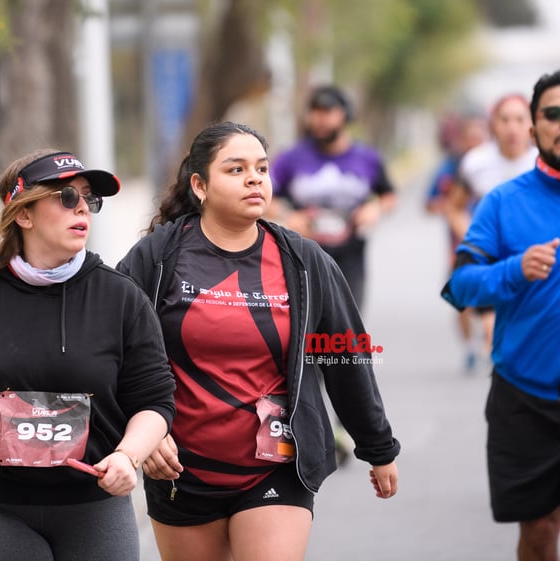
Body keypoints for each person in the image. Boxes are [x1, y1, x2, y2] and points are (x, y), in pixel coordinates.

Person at [117, 121, 400, 561]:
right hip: (180, 469)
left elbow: (346, 356)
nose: (254, 179)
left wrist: (378, 446)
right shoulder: (158, 256)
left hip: (277, 466)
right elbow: (112, 351)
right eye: (235, 169)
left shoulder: (303, 261)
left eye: (262, 169)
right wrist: (143, 431)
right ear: (200, 184)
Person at [0, 149, 176, 561]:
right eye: (66, 197)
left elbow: (155, 401)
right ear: (24, 214)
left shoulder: (122, 299)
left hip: (94, 509)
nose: (84, 210)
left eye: (88, 199)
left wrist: (129, 456)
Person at [441, 69, 560, 561]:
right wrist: (514, 269)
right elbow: (460, 285)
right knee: (538, 530)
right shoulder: (504, 202)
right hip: (527, 396)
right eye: (553, 114)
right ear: (534, 129)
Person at [266, 84, 397, 312]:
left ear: (344, 114)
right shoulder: (291, 158)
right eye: (314, 112)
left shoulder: (367, 158)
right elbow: (263, 196)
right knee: (306, 330)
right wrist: (289, 216)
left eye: (326, 112)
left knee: (346, 334)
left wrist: (375, 209)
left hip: (351, 259)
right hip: (302, 257)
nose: (319, 119)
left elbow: (389, 195)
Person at [443, 93, 538, 366]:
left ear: (530, 124)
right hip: (486, 256)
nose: (512, 127)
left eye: (519, 119)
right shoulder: (475, 162)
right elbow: (454, 207)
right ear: (493, 124)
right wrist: (475, 239)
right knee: (482, 320)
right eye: (504, 119)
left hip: (529, 255)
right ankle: (477, 347)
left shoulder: (541, 162)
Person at [424, 108, 488, 372]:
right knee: (461, 302)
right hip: (458, 248)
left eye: (479, 136)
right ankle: (470, 345)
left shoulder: (495, 167)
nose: (474, 142)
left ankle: (490, 344)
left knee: (489, 303)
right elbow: (429, 203)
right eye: (469, 137)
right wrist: (444, 206)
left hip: (493, 248)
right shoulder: (449, 168)